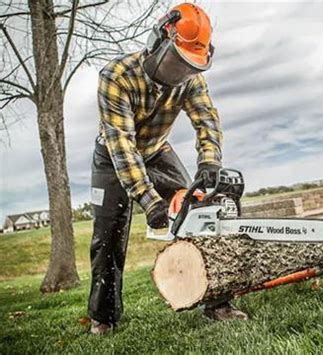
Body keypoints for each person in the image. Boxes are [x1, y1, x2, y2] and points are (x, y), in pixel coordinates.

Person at [88, 3, 248, 335]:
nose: (181, 73)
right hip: (113, 157)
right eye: (178, 62)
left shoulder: (191, 79)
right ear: (159, 40)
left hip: (158, 150)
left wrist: (210, 162)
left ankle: (218, 301)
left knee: (200, 213)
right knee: (108, 239)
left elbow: (207, 120)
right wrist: (149, 200)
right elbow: (122, 145)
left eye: (190, 66)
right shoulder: (116, 76)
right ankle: (103, 317)